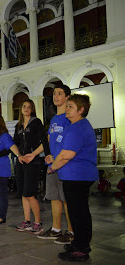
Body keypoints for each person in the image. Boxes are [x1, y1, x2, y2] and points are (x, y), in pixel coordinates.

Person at [48, 94, 98, 262]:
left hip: (79, 176)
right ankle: (78, 242)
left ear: (81, 110)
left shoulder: (79, 127)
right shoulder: (73, 125)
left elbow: (67, 155)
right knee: (76, 212)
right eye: (67, 106)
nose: (67, 109)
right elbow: (62, 149)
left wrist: (53, 166)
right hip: (73, 176)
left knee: (79, 213)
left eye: (70, 106)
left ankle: (82, 249)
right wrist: (53, 158)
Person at [37, 85, 74, 244]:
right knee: (54, 197)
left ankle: (72, 231)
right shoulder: (54, 119)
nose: (56, 96)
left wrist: (57, 158)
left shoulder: (70, 117)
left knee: (67, 199)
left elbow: (70, 142)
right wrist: (47, 155)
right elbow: (50, 140)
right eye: (54, 94)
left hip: (65, 164)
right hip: (51, 164)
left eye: (60, 94)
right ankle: (56, 229)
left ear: (67, 97)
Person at [14, 99, 50, 234]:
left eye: (29, 107)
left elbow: (45, 140)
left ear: (32, 109)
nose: (26, 109)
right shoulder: (18, 126)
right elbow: (15, 143)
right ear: (21, 109)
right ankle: (27, 221)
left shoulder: (36, 122)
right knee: (24, 193)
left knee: (30, 194)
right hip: (22, 162)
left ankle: (38, 223)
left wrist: (33, 154)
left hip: (33, 162)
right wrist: (19, 156)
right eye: (24, 106)